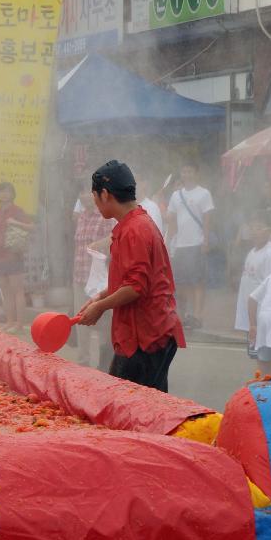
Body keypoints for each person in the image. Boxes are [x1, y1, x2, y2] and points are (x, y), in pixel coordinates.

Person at [78, 160, 185, 392]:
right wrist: (99, 297)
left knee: (129, 405)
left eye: (94, 197)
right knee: (149, 404)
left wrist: (100, 307)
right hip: (151, 331)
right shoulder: (135, 222)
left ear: (105, 194)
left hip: (147, 336)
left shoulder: (135, 230)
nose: (94, 203)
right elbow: (126, 279)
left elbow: (135, 287)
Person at [72, 183, 115, 369]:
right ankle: (83, 363)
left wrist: (101, 243)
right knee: (80, 320)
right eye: (80, 192)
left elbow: (116, 237)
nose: (83, 196)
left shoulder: (106, 216)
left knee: (104, 322)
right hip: (80, 276)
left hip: (99, 280)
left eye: (87, 192)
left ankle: (105, 364)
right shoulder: (81, 217)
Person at [166, 163, 215, 330]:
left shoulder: (204, 193)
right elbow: (172, 220)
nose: (186, 174)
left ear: (196, 173)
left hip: (197, 243)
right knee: (181, 283)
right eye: (184, 171)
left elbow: (208, 219)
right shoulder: (175, 196)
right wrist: (168, 242)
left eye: (190, 171)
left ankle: (198, 316)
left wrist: (206, 240)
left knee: (197, 282)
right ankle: (183, 316)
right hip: (180, 245)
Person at [0, 182, 33, 334]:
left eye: (7, 191)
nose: (4, 194)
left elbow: (31, 227)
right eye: (1, 191)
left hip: (14, 255)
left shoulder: (17, 210)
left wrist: (15, 222)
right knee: (5, 291)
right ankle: (9, 321)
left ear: (12, 194)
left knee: (17, 290)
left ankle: (19, 324)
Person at [236, 211, 271, 334]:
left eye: (258, 228)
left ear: (269, 231)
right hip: (250, 309)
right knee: (253, 348)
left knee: (262, 349)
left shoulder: (270, 253)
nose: (254, 231)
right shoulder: (252, 251)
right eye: (252, 228)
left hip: (262, 310)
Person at [249, 270, 271, 375]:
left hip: (264, 318)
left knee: (264, 359)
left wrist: (253, 325)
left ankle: (266, 386)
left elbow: (251, 299)